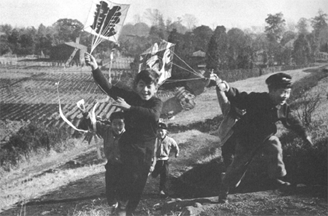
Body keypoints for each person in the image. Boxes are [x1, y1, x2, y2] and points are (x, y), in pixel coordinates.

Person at [215, 72, 313, 204]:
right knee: (237, 166)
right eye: (282, 92)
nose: (285, 96)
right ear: (272, 91)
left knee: (275, 144)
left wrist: (304, 134)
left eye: (288, 92)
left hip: (265, 138)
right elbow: (239, 97)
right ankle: (224, 190)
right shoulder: (258, 99)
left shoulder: (282, 108)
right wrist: (227, 88)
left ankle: (276, 177)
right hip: (247, 140)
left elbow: (293, 121)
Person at [85, 53, 163, 216]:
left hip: (144, 153)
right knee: (123, 189)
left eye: (149, 86)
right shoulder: (130, 97)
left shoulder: (156, 103)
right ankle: (119, 208)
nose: (145, 90)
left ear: (156, 88)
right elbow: (108, 88)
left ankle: (126, 211)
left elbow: (153, 115)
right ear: (136, 86)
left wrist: (128, 108)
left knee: (137, 190)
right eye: (141, 85)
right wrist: (95, 68)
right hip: (127, 149)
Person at [78, 111, 126, 212]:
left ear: (125, 124)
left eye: (120, 124)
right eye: (114, 124)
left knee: (123, 193)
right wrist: (86, 116)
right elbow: (93, 125)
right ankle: (113, 207)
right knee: (110, 191)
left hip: (125, 167)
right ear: (111, 124)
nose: (117, 127)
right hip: (111, 166)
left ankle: (122, 210)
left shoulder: (129, 134)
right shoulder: (106, 130)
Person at [151, 122, 179, 196]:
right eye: (158, 131)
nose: (160, 133)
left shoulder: (170, 140)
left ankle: (162, 190)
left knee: (165, 175)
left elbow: (176, 147)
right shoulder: (154, 140)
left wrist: (177, 153)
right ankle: (153, 176)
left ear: (166, 132)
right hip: (156, 160)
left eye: (162, 131)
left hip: (165, 160)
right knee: (154, 174)